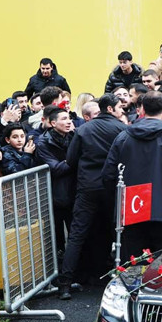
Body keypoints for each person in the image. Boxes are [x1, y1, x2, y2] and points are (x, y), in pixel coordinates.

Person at [103, 92, 162, 261]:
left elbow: (108, 176)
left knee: (133, 266)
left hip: (133, 212)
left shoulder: (124, 137)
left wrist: (120, 207)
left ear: (142, 109)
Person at [59, 93, 128, 300]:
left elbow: (71, 160)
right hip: (113, 187)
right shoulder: (122, 129)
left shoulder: (83, 130)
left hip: (87, 187)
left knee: (77, 234)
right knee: (119, 232)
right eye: (119, 107)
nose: (122, 110)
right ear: (110, 109)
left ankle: (65, 284)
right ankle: (122, 281)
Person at [35, 108, 75, 261]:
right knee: (56, 235)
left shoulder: (74, 136)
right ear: (53, 123)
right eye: (64, 119)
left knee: (75, 232)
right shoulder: (43, 142)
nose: (69, 122)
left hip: (75, 192)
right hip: (54, 194)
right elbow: (56, 169)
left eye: (69, 118)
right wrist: (74, 160)